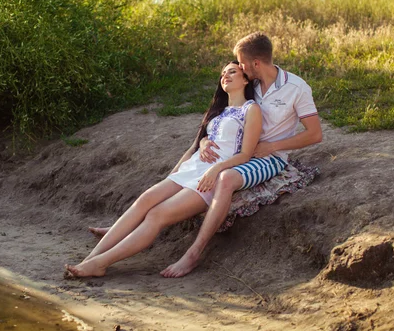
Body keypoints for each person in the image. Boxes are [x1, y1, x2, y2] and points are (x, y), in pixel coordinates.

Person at [65, 61, 262, 278]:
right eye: (223, 73)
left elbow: (245, 154)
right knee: (145, 199)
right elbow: (199, 144)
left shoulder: (250, 109)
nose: (225, 75)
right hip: (193, 167)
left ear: (245, 79)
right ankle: (91, 258)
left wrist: (216, 170)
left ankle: (101, 264)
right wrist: (203, 142)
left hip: (211, 175)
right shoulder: (218, 111)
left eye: (232, 72)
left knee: (157, 214)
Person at [159, 32, 323, 277]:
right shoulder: (250, 85)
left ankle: (193, 253)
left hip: (269, 157)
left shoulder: (296, 88)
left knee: (226, 179)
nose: (239, 67)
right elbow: (222, 119)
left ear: (256, 63)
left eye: (241, 63)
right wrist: (204, 141)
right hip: (235, 150)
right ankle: (139, 220)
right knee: (193, 150)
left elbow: (315, 134)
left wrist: (271, 147)